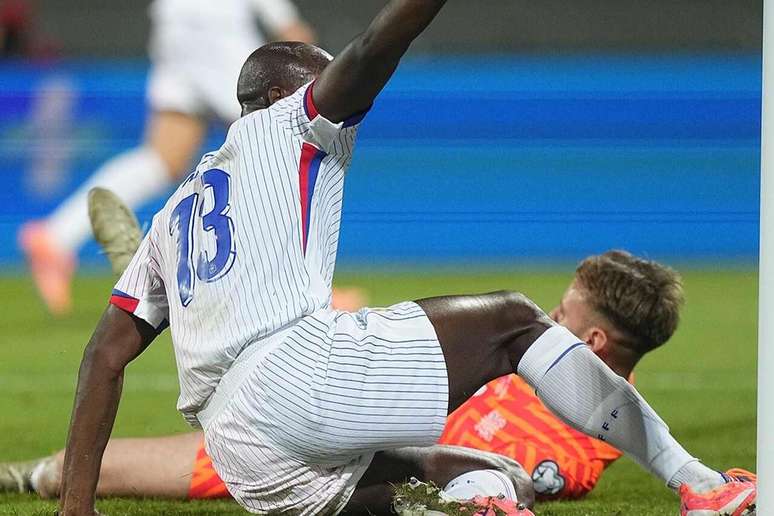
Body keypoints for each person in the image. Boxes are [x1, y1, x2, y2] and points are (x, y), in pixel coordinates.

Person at [56, 2, 756, 515]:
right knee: (515, 321)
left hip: (243, 456)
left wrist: (76, 511)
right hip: (294, 376)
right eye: (315, 81)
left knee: (467, 470)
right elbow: (369, 51)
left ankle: (473, 505)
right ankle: (697, 482)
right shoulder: (290, 121)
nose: (335, 95)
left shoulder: (177, 212)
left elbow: (104, 356)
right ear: (278, 95)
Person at [5, 249, 731, 504]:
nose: (546, 316)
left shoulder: (581, 441)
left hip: (343, 467)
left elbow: (516, 478)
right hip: (314, 413)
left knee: (98, 469)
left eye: (562, 313)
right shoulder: (506, 356)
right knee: (80, 466)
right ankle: (19, 475)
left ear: (595, 341)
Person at [18, 0, 316, 315]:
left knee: (161, 160)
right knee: (281, 142)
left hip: (176, 25)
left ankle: (56, 237)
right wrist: (286, 21)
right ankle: (302, 287)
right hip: (216, 28)